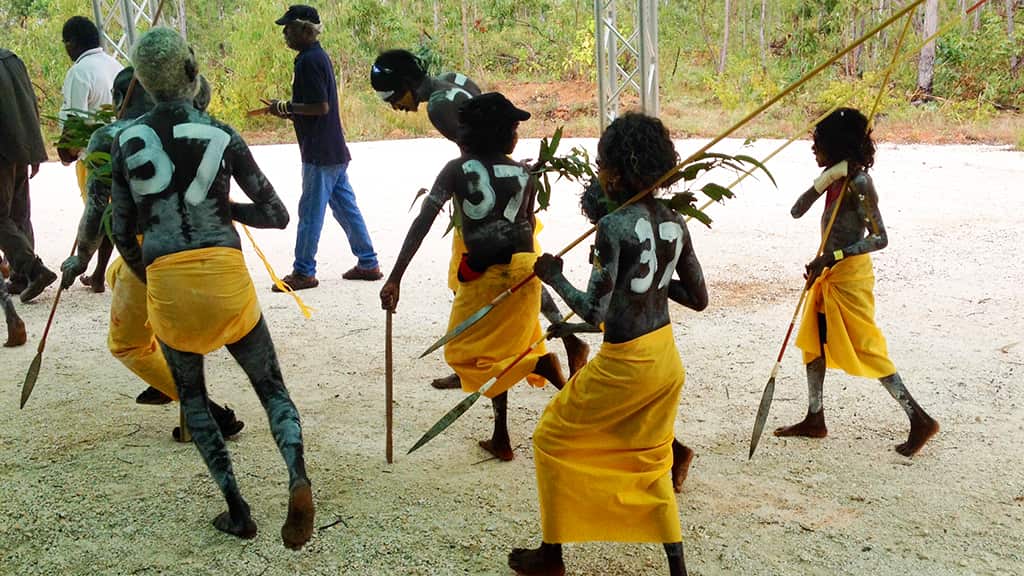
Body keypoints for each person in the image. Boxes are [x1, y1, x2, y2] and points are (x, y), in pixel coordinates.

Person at [109, 28, 313, 547]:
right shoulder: (221, 133)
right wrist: (224, 210)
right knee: (272, 390)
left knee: (194, 401)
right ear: (192, 70)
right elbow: (276, 214)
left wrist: (148, 275)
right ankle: (297, 477)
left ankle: (237, 509)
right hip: (225, 273)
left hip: (167, 279)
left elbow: (119, 228)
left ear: (142, 82)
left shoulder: (125, 140)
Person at [508, 113, 706, 576]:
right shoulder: (676, 221)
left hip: (624, 365)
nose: (599, 173)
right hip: (664, 360)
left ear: (615, 172)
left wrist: (554, 277)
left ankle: (552, 555)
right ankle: (677, 568)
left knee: (551, 437)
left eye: (601, 165)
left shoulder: (614, 226)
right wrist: (652, 284)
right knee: (650, 456)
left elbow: (593, 312)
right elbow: (698, 298)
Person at [371, 49, 590, 391]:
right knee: (522, 273)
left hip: (479, 207)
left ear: (406, 84)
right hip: (505, 201)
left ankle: (480, 361)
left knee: (480, 281)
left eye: (391, 97)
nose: (393, 106)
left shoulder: (438, 108)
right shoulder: (453, 79)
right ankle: (560, 339)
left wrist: (469, 192)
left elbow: (472, 156)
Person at [380, 93, 566, 461]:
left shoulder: (456, 169)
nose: (517, 135)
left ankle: (538, 364)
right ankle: (501, 435)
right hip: (524, 272)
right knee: (496, 354)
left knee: (461, 353)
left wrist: (396, 276)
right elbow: (528, 224)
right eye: (513, 129)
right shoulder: (525, 173)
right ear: (499, 133)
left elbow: (424, 221)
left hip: (485, 277)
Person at [60, 68, 244, 438]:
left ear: (119, 98)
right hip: (209, 247)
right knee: (116, 274)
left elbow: (96, 210)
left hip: (154, 253)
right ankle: (171, 376)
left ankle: (204, 410)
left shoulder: (109, 136)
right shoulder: (194, 127)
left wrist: (79, 258)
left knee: (126, 344)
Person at [773, 107, 939, 457]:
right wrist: (827, 178)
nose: (813, 148)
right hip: (828, 272)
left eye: (818, 143)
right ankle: (815, 417)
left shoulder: (860, 183)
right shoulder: (836, 178)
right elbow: (796, 210)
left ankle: (920, 418)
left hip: (849, 275)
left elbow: (880, 238)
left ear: (836, 145)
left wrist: (831, 257)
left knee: (867, 347)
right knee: (814, 341)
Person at [264, 5, 381, 290]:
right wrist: (287, 111)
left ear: (306, 30)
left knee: (310, 213)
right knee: (345, 208)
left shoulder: (308, 61)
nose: (285, 33)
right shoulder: (316, 57)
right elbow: (314, 107)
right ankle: (368, 262)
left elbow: (320, 106)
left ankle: (304, 271)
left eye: (289, 28)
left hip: (319, 152)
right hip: (332, 148)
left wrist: (287, 107)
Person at [57, 16, 123, 292]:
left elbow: (77, 120)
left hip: (92, 156)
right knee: (112, 212)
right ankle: (98, 273)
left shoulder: (80, 72)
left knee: (97, 213)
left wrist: (67, 152)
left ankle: (90, 268)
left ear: (71, 43)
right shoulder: (115, 65)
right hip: (120, 152)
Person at [0, 47, 56, 303]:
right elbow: (29, 102)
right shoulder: (11, 58)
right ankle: (21, 277)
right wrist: (34, 149)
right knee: (18, 213)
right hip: (21, 144)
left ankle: (33, 269)